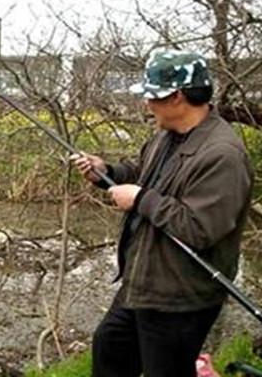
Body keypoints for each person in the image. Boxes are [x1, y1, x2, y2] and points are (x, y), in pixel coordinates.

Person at [70, 49, 252, 377]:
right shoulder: (166, 138)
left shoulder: (222, 155)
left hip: (181, 298)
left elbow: (200, 228)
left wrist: (141, 200)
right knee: (109, 350)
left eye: (152, 96)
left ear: (177, 96)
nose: (147, 104)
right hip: (143, 283)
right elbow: (142, 173)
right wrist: (105, 171)